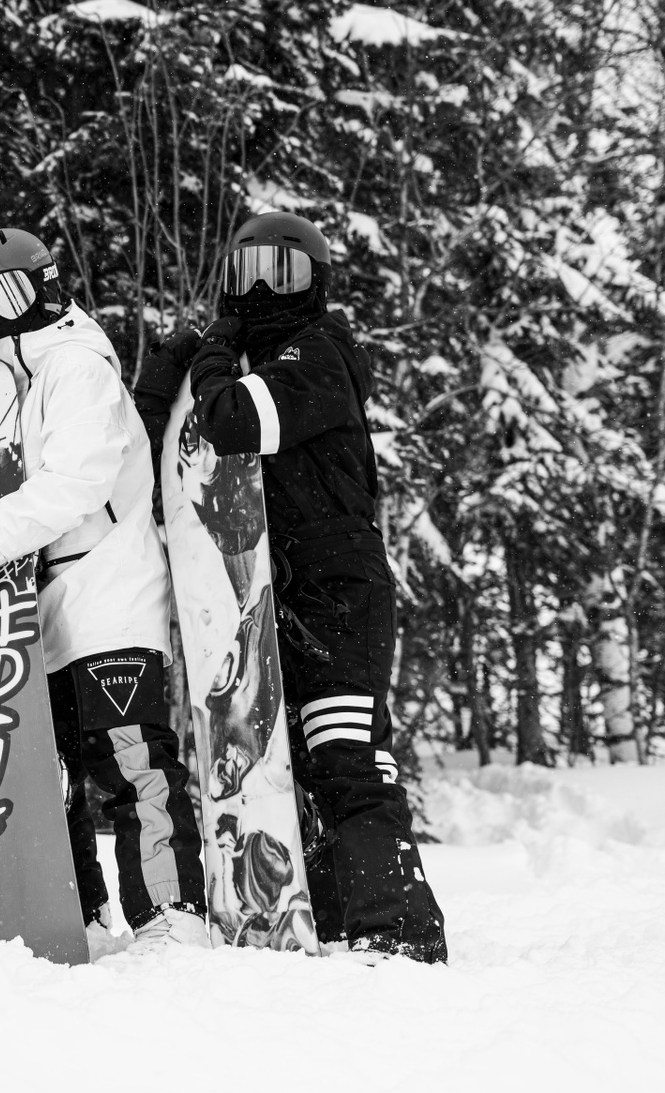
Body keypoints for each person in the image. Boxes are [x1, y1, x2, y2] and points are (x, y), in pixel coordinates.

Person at [132, 211, 448, 964]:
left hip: (340, 591)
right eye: (249, 273)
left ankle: (400, 930)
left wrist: (212, 352)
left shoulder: (321, 354)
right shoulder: (256, 361)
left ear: (317, 282)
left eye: (284, 272)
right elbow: (166, 453)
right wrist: (160, 385)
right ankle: (337, 919)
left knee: (346, 757)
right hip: (282, 596)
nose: (264, 291)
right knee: (296, 766)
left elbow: (234, 420)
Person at [0, 227, 208, 953]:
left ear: (45, 288)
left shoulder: (75, 365)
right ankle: (79, 914)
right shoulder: (7, 379)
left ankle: (171, 916)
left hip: (108, 588)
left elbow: (71, 485)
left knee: (130, 759)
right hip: (34, 602)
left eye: (7, 296)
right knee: (55, 779)